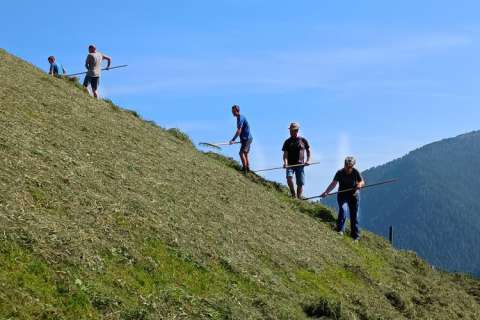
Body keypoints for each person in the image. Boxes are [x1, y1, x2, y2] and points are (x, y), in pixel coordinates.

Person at [321, 156, 365, 241]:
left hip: (354, 196)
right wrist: (326, 192)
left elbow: (362, 181)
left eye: (350, 166)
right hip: (342, 195)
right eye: (347, 166)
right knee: (343, 209)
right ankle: (340, 230)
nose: (348, 168)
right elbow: (334, 183)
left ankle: (355, 236)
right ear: (344, 164)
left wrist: (359, 185)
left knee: (354, 215)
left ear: (353, 166)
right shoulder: (339, 172)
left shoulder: (356, 172)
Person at [282, 122, 311, 199]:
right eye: (290, 130)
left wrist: (308, 160)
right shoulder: (287, 142)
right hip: (290, 164)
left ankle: (298, 197)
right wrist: (285, 163)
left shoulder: (303, 140)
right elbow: (285, 155)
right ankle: (293, 194)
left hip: (300, 165)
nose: (291, 132)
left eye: (292, 130)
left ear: (297, 131)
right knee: (289, 178)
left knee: (300, 183)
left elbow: (308, 151)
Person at [230, 105, 253, 173]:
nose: (232, 113)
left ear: (237, 111)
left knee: (241, 153)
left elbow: (239, 130)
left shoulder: (240, 118)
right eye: (232, 111)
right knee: (245, 153)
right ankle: (247, 167)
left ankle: (244, 169)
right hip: (246, 138)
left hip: (247, 138)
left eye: (233, 111)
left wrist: (233, 139)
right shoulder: (239, 118)